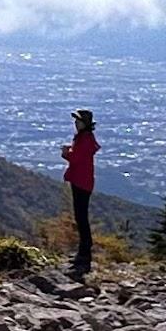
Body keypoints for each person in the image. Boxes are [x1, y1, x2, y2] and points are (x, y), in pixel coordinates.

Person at [62, 108, 100, 276]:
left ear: (85, 123)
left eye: (78, 121)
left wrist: (66, 153)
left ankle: (84, 255)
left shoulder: (84, 139)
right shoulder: (85, 138)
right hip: (83, 182)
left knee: (81, 218)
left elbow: (75, 158)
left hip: (81, 182)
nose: (76, 124)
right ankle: (82, 253)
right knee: (81, 218)